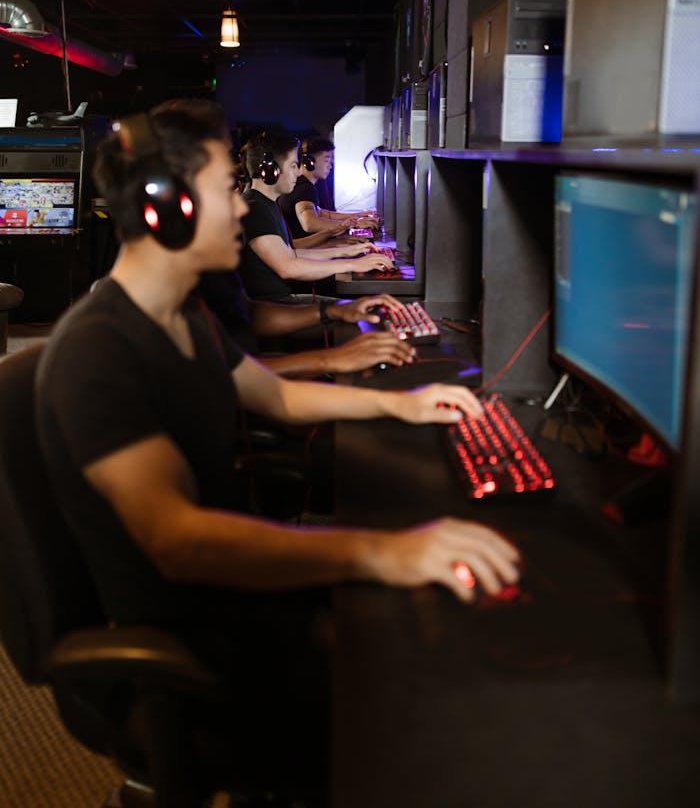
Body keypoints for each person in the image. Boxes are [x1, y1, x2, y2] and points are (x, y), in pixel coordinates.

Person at [35, 100, 520, 803]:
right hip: (192, 637)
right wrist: (381, 551)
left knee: (442, 628)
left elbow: (277, 396)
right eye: (225, 188)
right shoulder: (100, 353)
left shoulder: (177, 316)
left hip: (237, 597)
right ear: (160, 208)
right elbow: (177, 542)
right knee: (435, 684)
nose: (241, 209)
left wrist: (401, 403)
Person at [239, 130, 393, 301]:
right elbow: (288, 266)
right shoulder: (254, 209)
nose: (298, 172)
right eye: (293, 166)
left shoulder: (266, 204)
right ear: (270, 171)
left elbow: (292, 254)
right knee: (361, 316)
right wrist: (352, 263)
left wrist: (348, 251)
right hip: (275, 307)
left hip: (284, 299)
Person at [198, 269, 416, 378]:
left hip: (259, 372)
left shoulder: (214, 271)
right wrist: (330, 359)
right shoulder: (175, 299)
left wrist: (335, 310)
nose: (240, 207)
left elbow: (250, 313)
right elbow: (230, 376)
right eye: (227, 192)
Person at [278, 136, 377, 242]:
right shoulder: (304, 188)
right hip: (304, 251)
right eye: (327, 159)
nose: (330, 165)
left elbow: (320, 213)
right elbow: (310, 223)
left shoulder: (303, 185)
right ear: (309, 162)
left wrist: (358, 216)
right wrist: (354, 225)